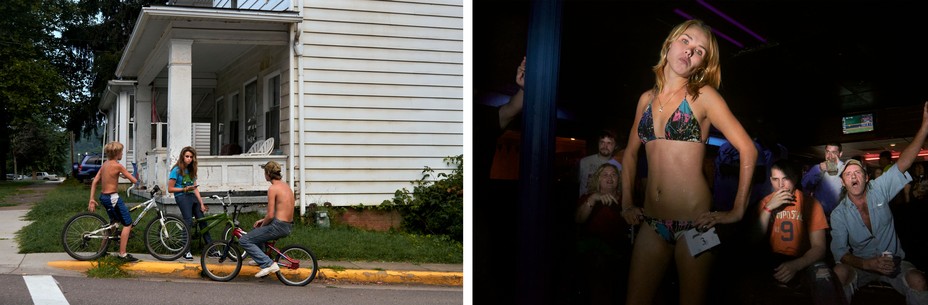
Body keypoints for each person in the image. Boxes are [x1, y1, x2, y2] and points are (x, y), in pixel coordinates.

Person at [619, 19, 758, 305]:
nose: (689, 52)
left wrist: (736, 210)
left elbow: (748, 149)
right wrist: (626, 203)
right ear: (670, 43)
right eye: (686, 41)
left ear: (702, 65)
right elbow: (630, 153)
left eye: (699, 51)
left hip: (696, 225)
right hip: (652, 222)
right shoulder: (646, 100)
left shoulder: (703, 96)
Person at [830, 102, 928, 304]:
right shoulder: (838, 213)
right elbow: (840, 252)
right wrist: (867, 264)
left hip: (895, 263)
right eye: (848, 174)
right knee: (838, 273)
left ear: (866, 178)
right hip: (862, 265)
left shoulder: (879, 188)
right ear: (843, 181)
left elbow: (904, 163)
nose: (853, 177)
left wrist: (925, 127)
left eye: (858, 172)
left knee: (918, 280)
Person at [751, 159, 845, 305]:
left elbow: (819, 248)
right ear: (770, 180)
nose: (781, 185)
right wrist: (768, 208)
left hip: (804, 259)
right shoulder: (765, 202)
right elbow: (753, 239)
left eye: (786, 179)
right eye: (776, 179)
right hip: (774, 258)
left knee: (824, 276)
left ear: (795, 178)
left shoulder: (810, 203)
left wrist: (796, 265)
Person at [574, 163, 630, 304]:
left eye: (613, 174)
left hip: (619, 252)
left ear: (618, 179)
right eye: (605, 175)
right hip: (593, 253)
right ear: (598, 179)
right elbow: (579, 219)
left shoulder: (625, 200)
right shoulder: (588, 197)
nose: (610, 178)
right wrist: (593, 198)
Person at [240, 161, 295, 278]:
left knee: (244, 240)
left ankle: (267, 263)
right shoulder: (286, 186)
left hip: (278, 226)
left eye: (265, 172)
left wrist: (264, 223)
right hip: (287, 225)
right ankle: (260, 258)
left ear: (268, 174)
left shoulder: (273, 188)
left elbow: (270, 215)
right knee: (258, 232)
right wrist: (262, 220)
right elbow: (280, 210)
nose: (264, 175)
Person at [88, 141, 140, 262]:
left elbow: (95, 181)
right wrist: (134, 178)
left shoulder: (105, 165)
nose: (122, 153)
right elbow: (134, 180)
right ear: (117, 153)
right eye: (121, 151)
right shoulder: (118, 166)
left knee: (113, 224)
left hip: (103, 197)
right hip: (113, 198)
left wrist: (91, 199)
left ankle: (101, 251)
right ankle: (123, 254)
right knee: (127, 224)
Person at [168, 146, 210, 261]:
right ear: (182, 157)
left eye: (191, 157)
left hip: (191, 196)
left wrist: (201, 203)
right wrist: (184, 189)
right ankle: (186, 250)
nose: (189, 159)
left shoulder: (192, 170)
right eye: (187, 156)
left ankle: (211, 248)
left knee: (202, 220)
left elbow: (195, 188)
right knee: (188, 221)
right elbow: (170, 189)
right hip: (182, 196)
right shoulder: (176, 170)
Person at [801, 142, 845, 217]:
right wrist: (819, 170)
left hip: (840, 216)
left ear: (840, 154)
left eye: (834, 152)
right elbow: (805, 184)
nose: (830, 156)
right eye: (828, 152)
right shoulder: (818, 168)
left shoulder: (845, 168)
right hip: (820, 215)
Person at [577, 129, 622, 197]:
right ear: (598, 143)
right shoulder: (584, 162)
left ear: (615, 146)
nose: (605, 146)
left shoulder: (619, 166)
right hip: (585, 204)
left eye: (609, 143)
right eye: (602, 142)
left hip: (607, 204)